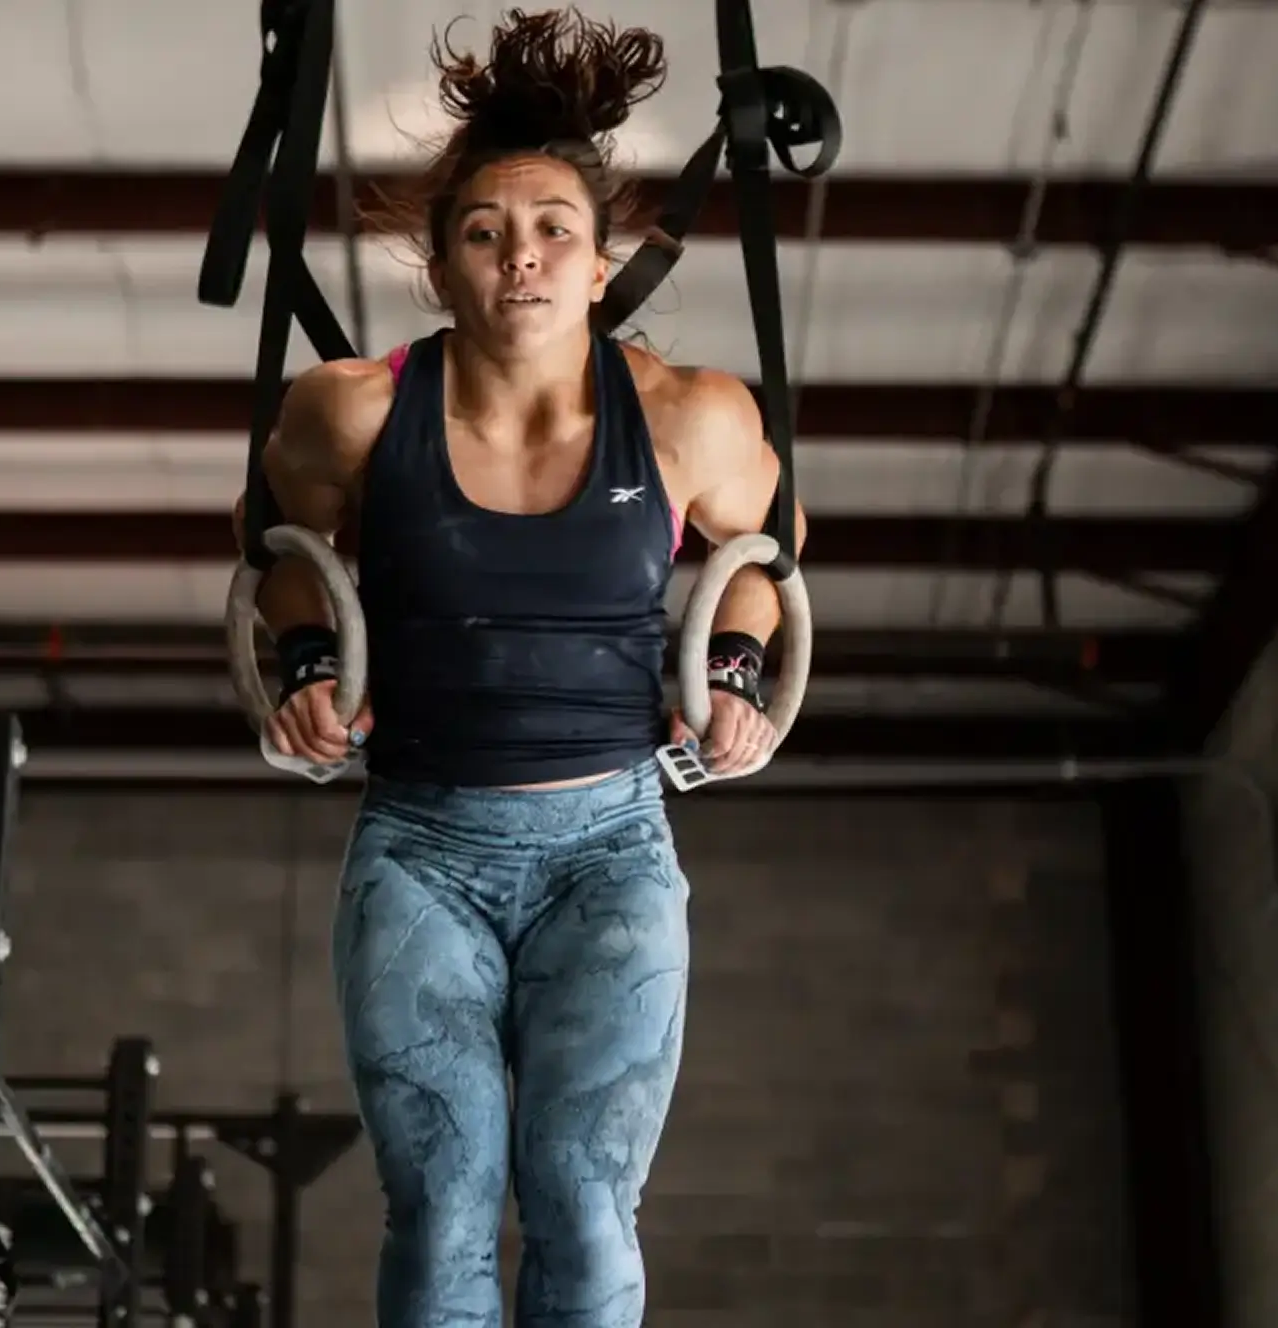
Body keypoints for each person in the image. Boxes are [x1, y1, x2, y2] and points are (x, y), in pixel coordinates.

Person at [234, 10, 806, 1325]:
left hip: (610, 849)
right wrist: (309, 660)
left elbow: (764, 561)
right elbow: (281, 553)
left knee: (582, 1199)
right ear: (443, 268)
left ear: (602, 265)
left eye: (554, 229)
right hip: (419, 849)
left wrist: (732, 669)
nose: (523, 255)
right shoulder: (352, 411)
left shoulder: (690, 416)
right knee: (443, 1200)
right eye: (486, 234)